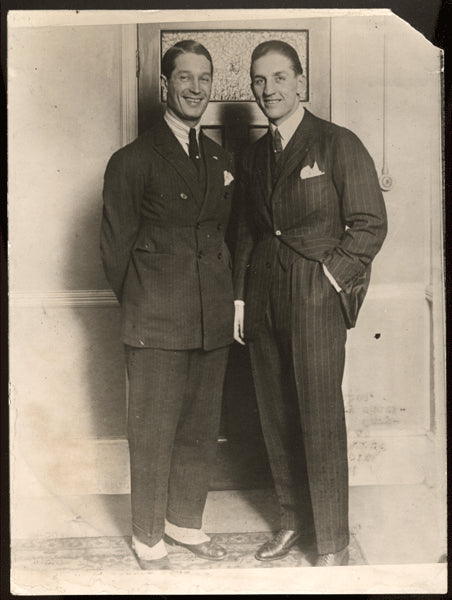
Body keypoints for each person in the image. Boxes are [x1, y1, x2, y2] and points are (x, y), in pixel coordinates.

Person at [233, 40, 387, 567]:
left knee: (318, 416)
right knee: (275, 416)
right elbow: (248, 232)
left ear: (301, 82)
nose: (269, 89)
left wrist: (329, 277)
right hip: (263, 297)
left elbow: (370, 223)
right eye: (259, 80)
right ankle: (293, 522)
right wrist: (239, 298)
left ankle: (333, 543)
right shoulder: (253, 155)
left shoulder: (337, 143)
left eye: (279, 77)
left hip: (315, 294)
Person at [101, 40, 235, 570]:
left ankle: (184, 522)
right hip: (156, 318)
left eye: (204, 78)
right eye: (185, 78)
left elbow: (223, 235)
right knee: (153, 430)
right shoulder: (132, 160)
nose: (196, 88)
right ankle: (147, 533)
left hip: (212, 316)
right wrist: (146, 307)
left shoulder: (221, 157)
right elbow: (115, 253)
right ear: (166, 85)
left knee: (200, 428)